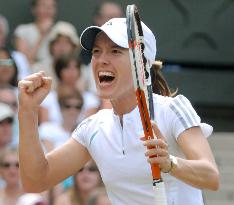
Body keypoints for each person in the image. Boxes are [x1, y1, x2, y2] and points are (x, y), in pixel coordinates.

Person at [18, 18, 219, 205]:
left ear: (142, 64)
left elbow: (211, 177)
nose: (101, 60)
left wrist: (170, 163)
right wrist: (28, 111)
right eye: (96, 51)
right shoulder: (93, 127)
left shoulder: (172, 109)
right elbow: (36, 181)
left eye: (115, 51)